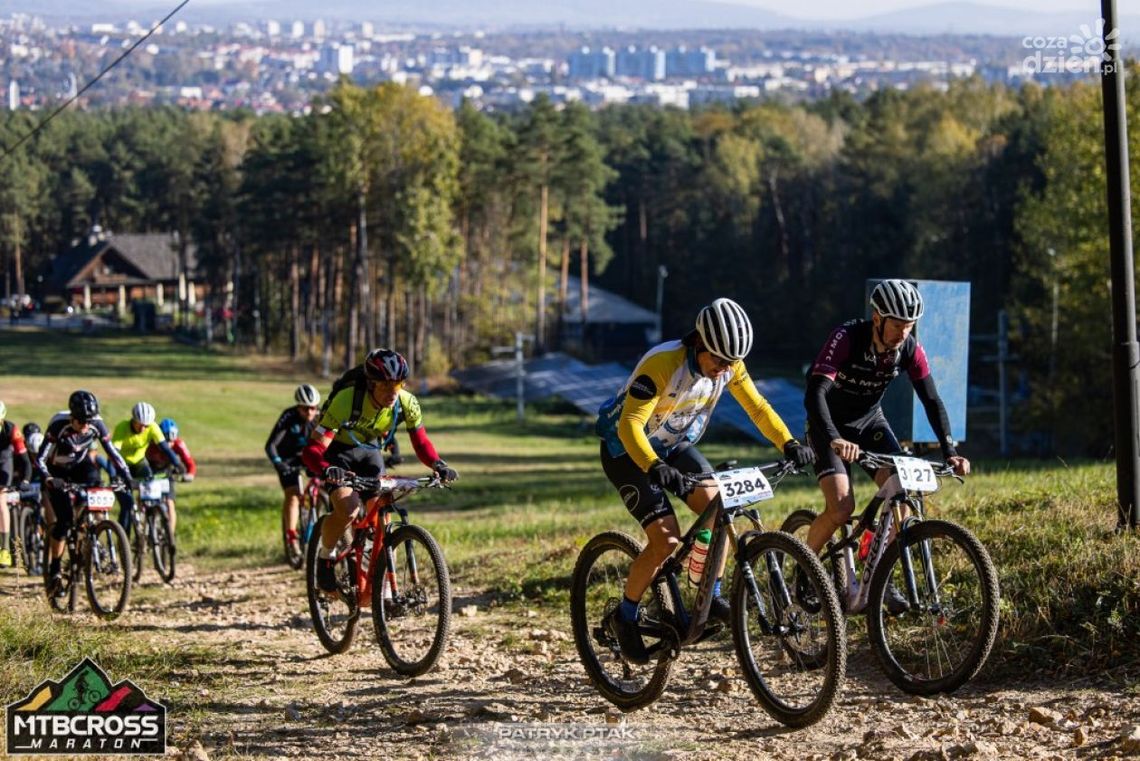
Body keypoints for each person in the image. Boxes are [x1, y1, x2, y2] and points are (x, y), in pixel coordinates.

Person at [595, 298, 815, 664]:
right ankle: (626, 616)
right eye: (719, 361)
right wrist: (653, 466)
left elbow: (757, 407)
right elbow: (630, 424)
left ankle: (707, 593)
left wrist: (788, 442)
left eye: (732, 363)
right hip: (627, 451)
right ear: (699, 343)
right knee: (665, 539)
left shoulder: (729, 365)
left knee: (719, 505)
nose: (725, 370)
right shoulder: (663, 364)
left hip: (673, 444)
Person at [802, 279, 970, 607]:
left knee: (901, 497)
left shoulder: (908, 348)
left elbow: (931, 399)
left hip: (869, 423)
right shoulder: (847, 338)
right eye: (897, 326)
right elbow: (815, 391)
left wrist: (950, 451)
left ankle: (880, 578)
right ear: (877, 318)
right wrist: (834, 438)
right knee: (841, 508)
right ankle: (806, 569)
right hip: (830, 426)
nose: (903, 334)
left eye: (909, 327)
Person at [302, 349, 458, 594]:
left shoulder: (406, 402)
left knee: (381, 515)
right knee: (349, 509)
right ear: (371, 383)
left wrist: (438, 465)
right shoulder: (347, 400)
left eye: (398, 384)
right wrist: (326, 469)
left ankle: (383, 588)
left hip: (370, 452)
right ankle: (326, 556)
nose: (392, 392)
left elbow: (421, 442)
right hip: (338, 453)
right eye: (385, 385)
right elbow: (313, 447)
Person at [37, 390, 133, 594]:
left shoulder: (96, 424)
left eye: (89, 421)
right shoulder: (58, 425)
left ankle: (92, 531)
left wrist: (125, 475)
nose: (85, 426)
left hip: (81, 466)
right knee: (63, 520)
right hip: (56, 471)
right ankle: (55, 568)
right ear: (72, 417)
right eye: (81, 422)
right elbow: (40, 458)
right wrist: (48, 478)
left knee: (97, 486)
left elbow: (112, 452)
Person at [111, 402, 185, 540]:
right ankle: (124, 543)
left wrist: (177, 463)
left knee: (151, 488)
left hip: (139, 464)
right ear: (133, 420)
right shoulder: (122, 428)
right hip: (120, 467)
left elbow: (166, 448)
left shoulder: (152, 427)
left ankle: (148, 523)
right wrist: (116, 475)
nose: (144, 428)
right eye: (140, 424)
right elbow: (113, 455)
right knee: (127, 506)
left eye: (147, 425)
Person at [266, 384, 321, 563]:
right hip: (287, 459)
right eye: (306, 408)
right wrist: (278, 464)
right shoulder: (288, 417)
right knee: (293, 495)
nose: (310, 412)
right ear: (298, 406)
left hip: (307, 456)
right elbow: (271, 445)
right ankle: (291, 536)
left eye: (313, 408)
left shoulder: (320, 419)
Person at [145, 417, 196, 532]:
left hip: (167, 474)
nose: (169, 445)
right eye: (166, 441)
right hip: (150, 471)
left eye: (171, 441)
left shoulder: (179, 444)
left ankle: (170, 536)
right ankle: (141, 527)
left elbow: (189, 462)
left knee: (170, 504)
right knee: (143, 500)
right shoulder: (149, 444)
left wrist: (190, 474)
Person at [0, 401, 32, 567]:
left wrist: (25, 480)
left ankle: (4, 549)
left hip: (3, 462)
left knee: (0, 500)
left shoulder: (11, 429)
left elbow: (25, 461)